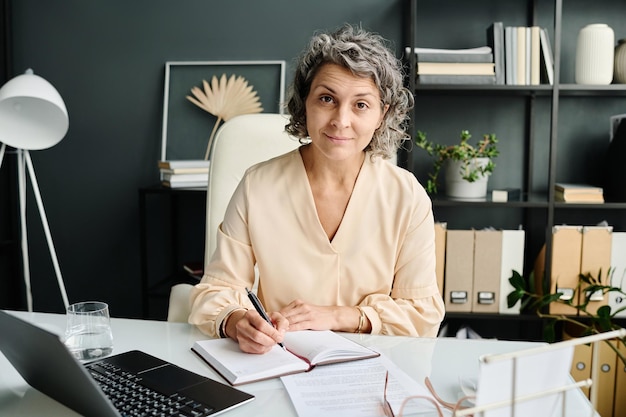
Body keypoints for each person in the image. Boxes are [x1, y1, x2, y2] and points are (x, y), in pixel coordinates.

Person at [189, 23, 445, 354]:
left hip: (374, 364)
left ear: (382, 114)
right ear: (305, 103)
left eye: (361, 105)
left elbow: (423, 314)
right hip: (280, 359)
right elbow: (215, 291)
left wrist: (341, 316)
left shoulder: (406, 196)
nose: (341, 120)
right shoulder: (258, 185)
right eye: (327, 98)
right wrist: (236, 320)